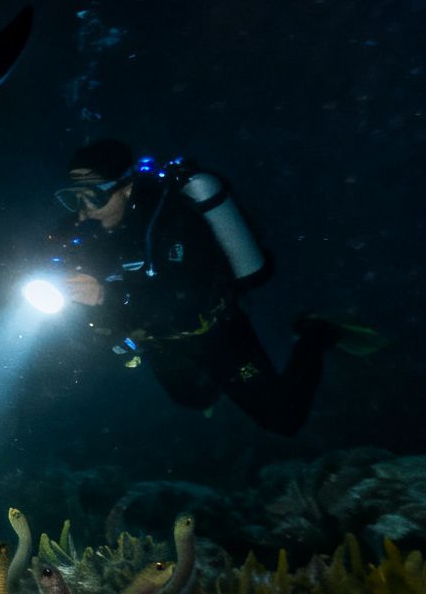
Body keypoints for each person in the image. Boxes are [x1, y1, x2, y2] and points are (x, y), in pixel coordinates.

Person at [48, 138, 378, 436]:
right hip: (159, 343)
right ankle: (212, 386)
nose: (85, 208)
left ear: (126, 188)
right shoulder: (83, 231)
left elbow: (184, 302)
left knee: (284, 419)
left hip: (217, 332)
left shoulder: (173, 221)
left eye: (95, 195)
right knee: (194, 398)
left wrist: (105, 294)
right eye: (75, 197)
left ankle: (315, 333)